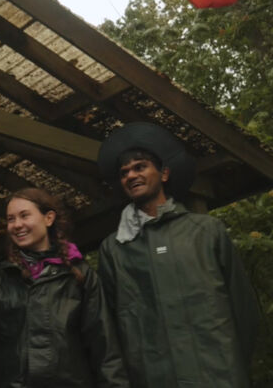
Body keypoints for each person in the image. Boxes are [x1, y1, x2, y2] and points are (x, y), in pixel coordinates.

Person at [96, 122, 260, 388]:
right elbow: (110, 330)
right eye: (124, 172)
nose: (131, 175)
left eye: (140, 166)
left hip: (220, 377)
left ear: (164, 174)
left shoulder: (207, 231)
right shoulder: (114, 249)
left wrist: (231, 367)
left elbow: (244, 311)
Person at [0, 188, 128, 388]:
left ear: (48, 218)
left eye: (24, 215)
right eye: (10, 219)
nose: (17, 225)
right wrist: (4, 365)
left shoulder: (80, 276)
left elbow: (104, 347)